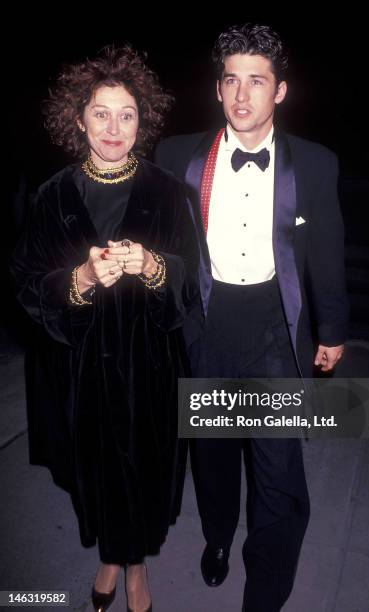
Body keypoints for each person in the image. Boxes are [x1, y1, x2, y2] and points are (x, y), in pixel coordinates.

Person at [155, 23, 348, 612]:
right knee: (212, 454)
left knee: (277, 466)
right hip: (206, 325)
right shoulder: (176, 156)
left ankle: (265, 589)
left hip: (274, 327)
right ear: (218, 88)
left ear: (280, 91)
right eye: (231, 81)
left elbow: (327, 248)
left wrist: (333, 331)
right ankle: (217, 538)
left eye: (256, 82)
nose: (242, 96)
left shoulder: (314, 164)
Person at [10, 45, 199, 612]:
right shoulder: (52, 196)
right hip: (80, 369)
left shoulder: (171, 194)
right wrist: (81, 279)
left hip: (150, 370)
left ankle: (131, 566)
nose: (114, 128)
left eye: (127, 115)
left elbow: (196, 285)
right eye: (101, 113)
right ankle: (115, 558)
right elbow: (24, 280)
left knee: (143, 468)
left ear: (143, 121)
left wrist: (157, 267)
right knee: (95, 472)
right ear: (78, 119)